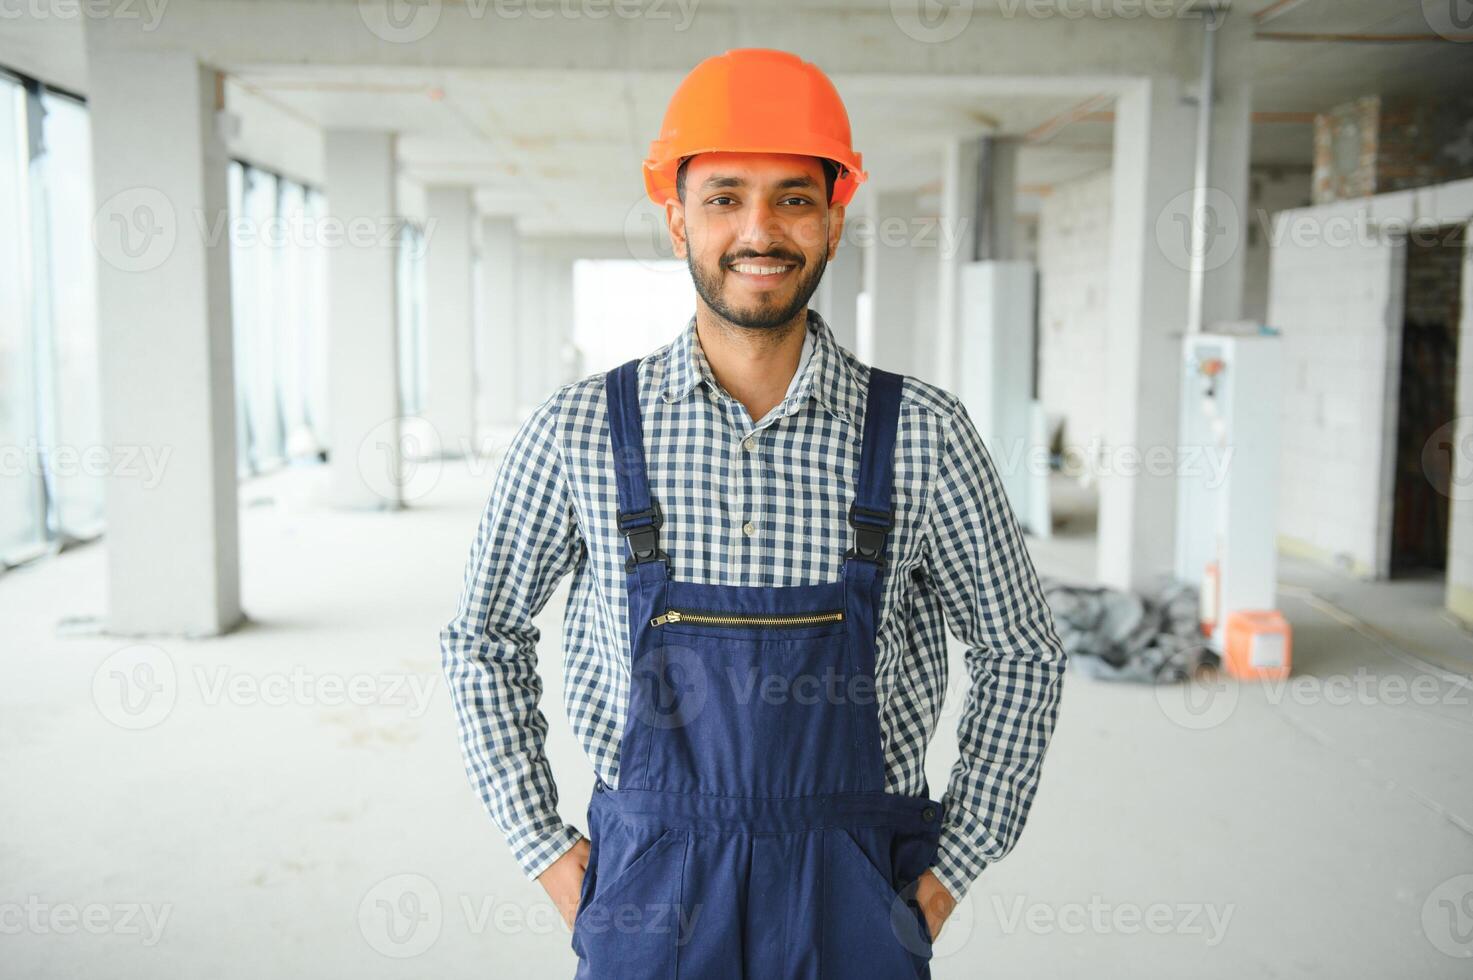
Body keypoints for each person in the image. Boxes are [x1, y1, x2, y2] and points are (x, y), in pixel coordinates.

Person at [440, 47, 1067, 978]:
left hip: (855, 888)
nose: (759, 230)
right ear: (675, 217)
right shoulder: (578, 430)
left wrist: (951, 868)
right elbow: (480, 636)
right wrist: (547, 853)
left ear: (834, 219)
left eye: (793, 198)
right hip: (646, 887)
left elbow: (1021, 650)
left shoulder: (922, 433)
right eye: (724, 196)